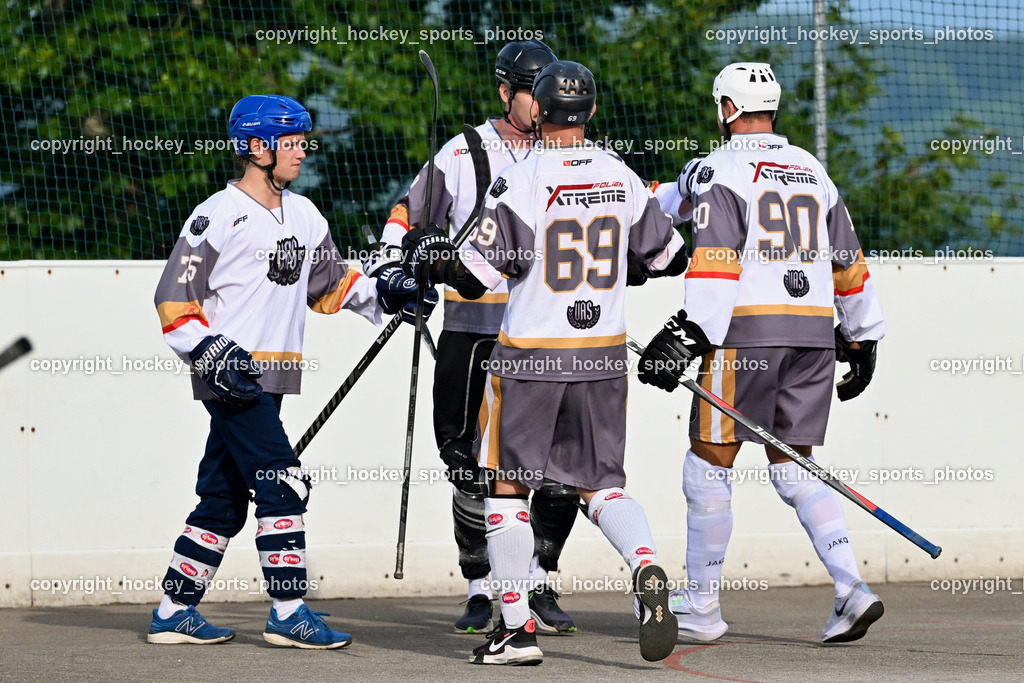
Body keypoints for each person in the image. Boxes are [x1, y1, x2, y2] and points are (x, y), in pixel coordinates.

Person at [403, 60, 690, 665]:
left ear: (538, 109)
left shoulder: (522, 179)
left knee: (505, 486)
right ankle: (644, 565)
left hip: (530, 359)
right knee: (600, 485)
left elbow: (476, 279)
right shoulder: (621, 174)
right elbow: (670, 258)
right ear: (591, 110)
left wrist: (433, 257)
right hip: (603, 357)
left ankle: (515, 630)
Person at [148, 94, 430, 648]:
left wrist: (388, 290)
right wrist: (209, 350)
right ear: (257, 147)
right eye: (292, 142)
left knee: (223, 497)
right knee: (283, 482)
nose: (302, 152)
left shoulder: (304, 214)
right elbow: (174, 298)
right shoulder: (216, 214)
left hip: (274, 377)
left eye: (303, 141)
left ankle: (173, 610)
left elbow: (331, 285)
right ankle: (288, 612)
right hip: (230, 376)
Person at [638, 62, 886, 644]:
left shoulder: (720, 169)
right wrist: (863, 335)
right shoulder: (812, 169)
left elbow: (715, 256)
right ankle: (851, 586)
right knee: (794, 465)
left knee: (708, 463)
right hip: (812, 336)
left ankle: (702, 608)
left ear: (726, 108)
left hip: (745, 335)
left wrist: (691, 331)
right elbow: (848, 261)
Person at [379, 40, 581, 635]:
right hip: (473, 328)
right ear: (504, 92)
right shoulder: (463, 151)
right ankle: (479, 585)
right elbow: (407, 215)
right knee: (466, 461)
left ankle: (537, 581)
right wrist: (397, 269)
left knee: (557, 467)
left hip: (547, 335)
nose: (542, 105)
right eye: (531, 93)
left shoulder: (571, 153)